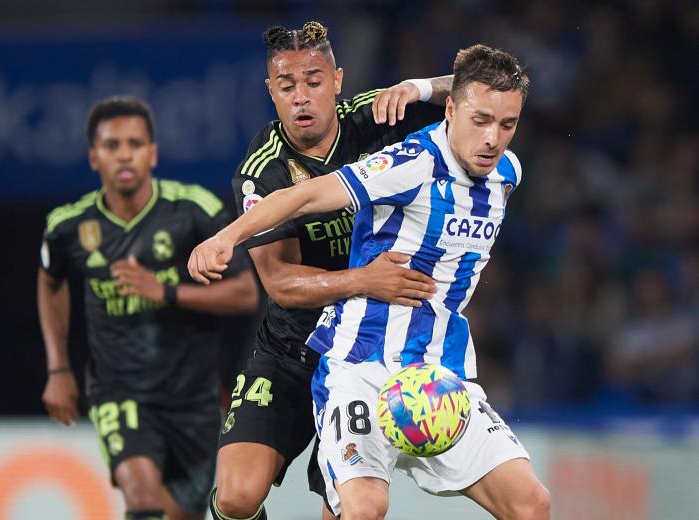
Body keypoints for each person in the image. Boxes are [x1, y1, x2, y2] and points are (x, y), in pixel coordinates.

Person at [189, 44, 551, 519]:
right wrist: (226, 237)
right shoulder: (409, 162)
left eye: (507, 125)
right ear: (451, 113)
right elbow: (304, 197)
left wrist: (418, 86)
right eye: (480, 121)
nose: (493, 139)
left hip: (437, 375)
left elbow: (468, 85)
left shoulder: (508, 172)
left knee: (533, 503)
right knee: (360, 509)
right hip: (358, 364)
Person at [209, 20, 454, 520]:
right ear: (270, 93)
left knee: (350, 510)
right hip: (288, 350)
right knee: (235, 497)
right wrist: (366, 279)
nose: (302, 97)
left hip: (363, 352)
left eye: (314, 82)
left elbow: (482, 93)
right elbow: (279, 284)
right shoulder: (261, 172)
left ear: (338, 81)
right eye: (287, 86)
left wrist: (420, 87)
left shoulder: (380, 116)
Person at [38, 96, 259, 520]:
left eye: (135, 144)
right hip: (119, 393)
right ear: (93, 157)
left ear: (152, 153)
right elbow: (50, 282)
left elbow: (246, 294)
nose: (124, 154)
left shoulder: (195, 211)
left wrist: (165, 291)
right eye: (112, 145)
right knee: (141, 499)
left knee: (179, 513)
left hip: (192, 398)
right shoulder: (68, 226)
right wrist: (58, 368)